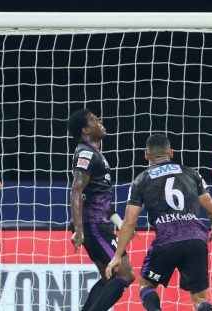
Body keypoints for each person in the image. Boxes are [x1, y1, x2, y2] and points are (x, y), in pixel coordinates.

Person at [106, 133, 212, 311]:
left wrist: (117, 256)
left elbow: (130, 222)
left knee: (146, 286)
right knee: (199, 299)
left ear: (146, 154)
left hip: (166, 240)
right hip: (196, 239)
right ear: (171, 152)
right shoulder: (192, 173)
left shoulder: (141, 180)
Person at [68, 108, 135, 311]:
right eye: (95, 120)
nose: (100, 121)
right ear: (85, 131)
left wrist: (120, 223)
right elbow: (76, 190)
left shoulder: (94, 153)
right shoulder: (87, 152)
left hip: (99, 223)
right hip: (94, 225)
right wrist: (79, 230)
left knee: (109, 277)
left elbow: (101, 198)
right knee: (125, 275)